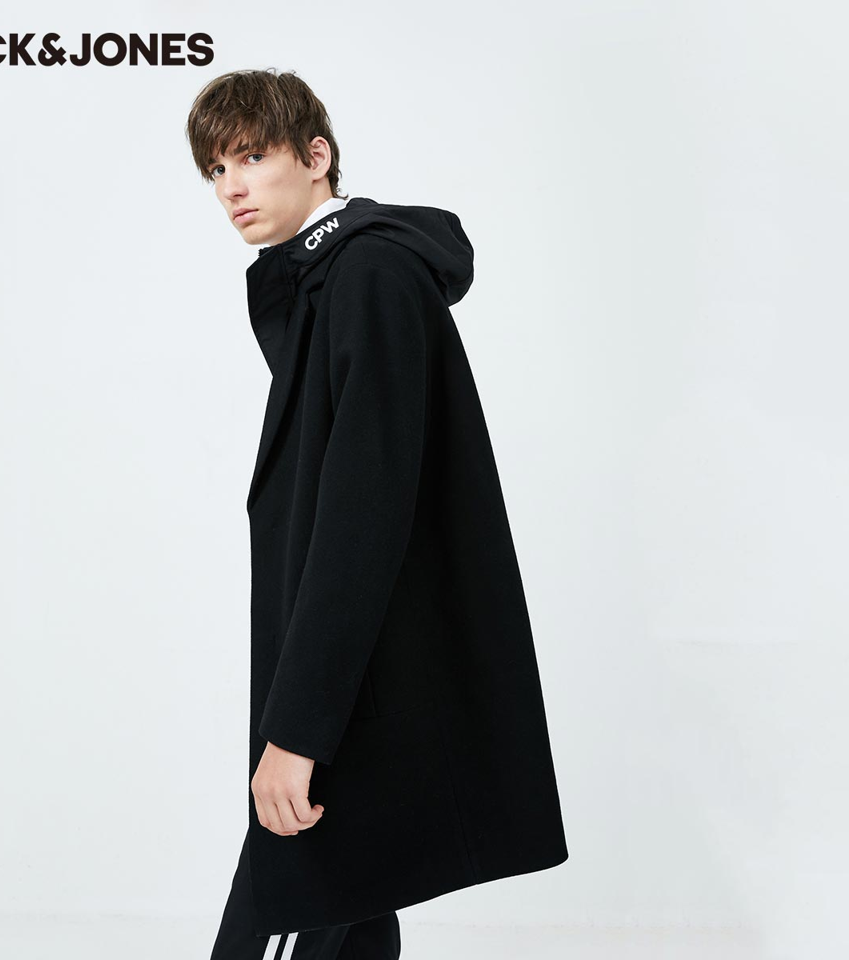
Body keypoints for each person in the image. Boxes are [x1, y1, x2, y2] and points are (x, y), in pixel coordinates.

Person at [186, 67, 569, 960]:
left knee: (285, 924)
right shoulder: (325, 283)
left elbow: (363, 521)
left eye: (252, 156)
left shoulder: (368, 277)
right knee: (345, 932)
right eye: (215, 170)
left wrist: (297, 733)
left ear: (316, 156)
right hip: (348, 697)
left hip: (345, 710)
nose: (232, 186)